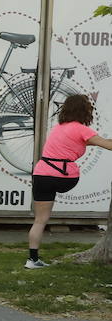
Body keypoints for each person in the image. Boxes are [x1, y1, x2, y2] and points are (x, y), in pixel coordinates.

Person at [28, 94, 111, 268]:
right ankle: (33, 260)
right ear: (84, 110)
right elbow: (107, 145)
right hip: (64, 178)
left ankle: (32, 259)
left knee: (40, 220)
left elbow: (82, 143)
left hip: (41, 174)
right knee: (71, 171)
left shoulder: (59, 128)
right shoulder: (82, 129)